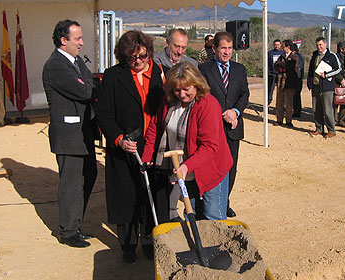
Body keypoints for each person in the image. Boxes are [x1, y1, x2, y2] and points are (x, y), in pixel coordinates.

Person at [95, 30, 166, 263]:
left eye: (142, 56)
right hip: (124, 147)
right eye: (131, 57)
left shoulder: (159, 72)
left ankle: (148, 241)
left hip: (152, 147)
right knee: (126, 197)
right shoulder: (113, 76)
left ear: (149, 53)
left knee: (149, 196)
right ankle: (127, 245)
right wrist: (118, 139)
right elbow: (103, 114)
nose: (137, 61)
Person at [142, 62, 233, 220]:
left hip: (211, 170)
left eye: (186, 89)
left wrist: (186, 167)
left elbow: (209, 146)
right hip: (186, 171)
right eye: (177, 89)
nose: (182, 94)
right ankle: (196, 245)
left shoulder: (208, 105)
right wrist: (147, 155)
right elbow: (155, 127)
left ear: (197, 85)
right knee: (192, 214)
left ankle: (215, 246)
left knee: (212, 217)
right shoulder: (168, 101)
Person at [42, 19, 98, 248]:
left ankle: (75, 223)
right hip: (68, 136)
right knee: (71, 183)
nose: (82, 43)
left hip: (82, 133)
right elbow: (85, 90)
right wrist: (89, 85)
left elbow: (91, 82)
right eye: (78, 39)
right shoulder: (56, 65)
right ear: (63, 41)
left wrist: (90, 84)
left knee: (89, 175)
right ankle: (68, 231)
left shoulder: (74, 61)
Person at [199, 31, 250, 218]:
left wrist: (235, 112)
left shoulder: (240, 69)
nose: (227, 52)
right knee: (210, 167)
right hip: (212, 129)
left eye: (230, 48)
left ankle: (224, 202)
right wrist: (219, 114)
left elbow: (244, 95)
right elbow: (201, 96)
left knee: (231, 167)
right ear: (214, 48)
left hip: (233, 128)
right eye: (223, 48)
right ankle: (208, 203)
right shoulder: (204, 69)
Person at [307, 37, 341, 138]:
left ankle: (331, 130)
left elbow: (338, 69)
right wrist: (310, 82)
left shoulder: (332, 56)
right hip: (315, 86)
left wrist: (327, 74)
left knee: (327, 110)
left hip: (326, 87)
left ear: (325, 44)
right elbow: (311, 69)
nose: (319, 47)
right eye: (317, 45)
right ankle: (319, 129)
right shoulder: (314, 55)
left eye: (321, 45)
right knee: (316, 109)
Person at [274, 40, 300, 127]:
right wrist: (282, 65)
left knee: (289, 103)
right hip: (281, 82)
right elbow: (276, 65)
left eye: (283, 47)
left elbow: (291, 66)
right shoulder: (281, 56)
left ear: (288, 47)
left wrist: (282, 65)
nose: (282, 48)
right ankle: (279, 119)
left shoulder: (295, 57)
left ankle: (288, 121)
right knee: (279, 102)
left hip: (290, 83)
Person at [268, 39, 284, 106]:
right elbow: (267, 63)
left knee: (281, 89)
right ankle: (268, 102)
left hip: (280, 74)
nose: (276, 46)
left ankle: (281, 104)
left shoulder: (282, 53)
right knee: (270, 89)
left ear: (280, 45)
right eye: (275, 45)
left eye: (278, 45)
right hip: (272, 74)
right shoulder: (270, 53)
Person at [292, 42, 304, 118]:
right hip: (299, 78)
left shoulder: (296, 57)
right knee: (296, 95)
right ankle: (297, 110)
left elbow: (297, 68)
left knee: (296, 95)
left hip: (297, 78)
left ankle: (297, 112)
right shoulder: (300, 56)